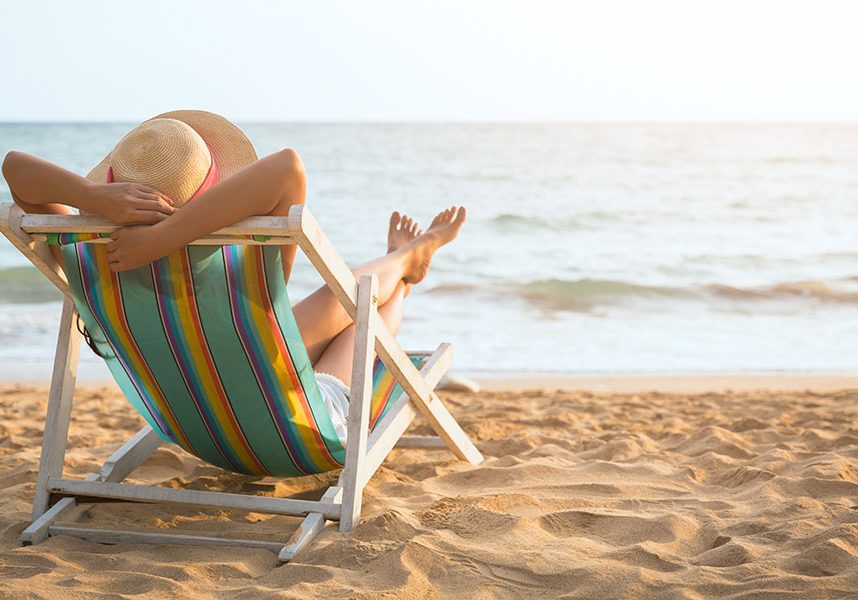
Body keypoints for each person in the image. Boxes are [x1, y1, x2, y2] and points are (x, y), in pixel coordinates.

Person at [1, 110, 465, 439]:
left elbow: (15, 168)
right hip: (291, 422)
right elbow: (288, 167)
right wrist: (168, 237)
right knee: (361, 304)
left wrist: (95, 199)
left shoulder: (89, 261)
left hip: (194, 421)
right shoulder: (234, 273)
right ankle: (407, 264)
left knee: (341, 301)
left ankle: (406, 258)